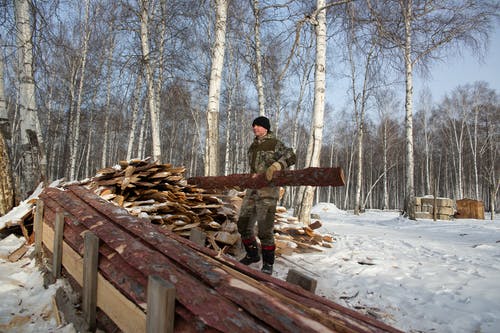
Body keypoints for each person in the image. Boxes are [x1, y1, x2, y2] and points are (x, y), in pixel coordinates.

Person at [237, 116, 296, 275]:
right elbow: (253, 170)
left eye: (258, 125)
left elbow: (291, 156)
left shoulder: (275, 143)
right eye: (253, 125)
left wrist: (278, 165)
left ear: (266, 128)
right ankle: (252, 255)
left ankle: (268, 263)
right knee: (243, 225)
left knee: (264, 230)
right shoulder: (252, 147)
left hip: (268, 193)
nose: (255, 128)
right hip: (252, 191)